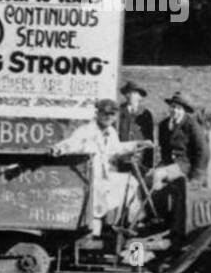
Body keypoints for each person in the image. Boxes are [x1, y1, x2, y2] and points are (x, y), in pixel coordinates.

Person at [49, 98, 150, 234]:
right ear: (97, 114)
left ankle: (130, 223)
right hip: (89, 179)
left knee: (131, 182)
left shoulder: (111, 132)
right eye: (105, 114)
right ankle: (101, 229)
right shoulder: (86, 131)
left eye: (112, 115)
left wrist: (138, 144)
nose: (108, 118)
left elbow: (117, 148)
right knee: (100, 202)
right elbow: (72, 142)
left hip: (104, 176)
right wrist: (59, 149)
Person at [152, 91, 208, 191]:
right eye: (173, 107)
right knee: (148, 176)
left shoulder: (191, 125)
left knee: (157, 175)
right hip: (167, 163)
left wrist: (196, 175)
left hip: (184, 165)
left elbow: (203, 150)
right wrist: (163, 164)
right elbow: (163, 148)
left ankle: (156, 203)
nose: (175, 111)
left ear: (184, 111)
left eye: (179, 108)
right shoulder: (163, 125)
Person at [116, 80, 155, 172]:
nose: (130, 95)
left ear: (140, 96)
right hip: (122, 154)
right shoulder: (119, 112)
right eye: (128, 93)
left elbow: (149, 138)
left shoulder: (146, 114)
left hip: (140, 156)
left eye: (134, 93)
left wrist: (149, 163)